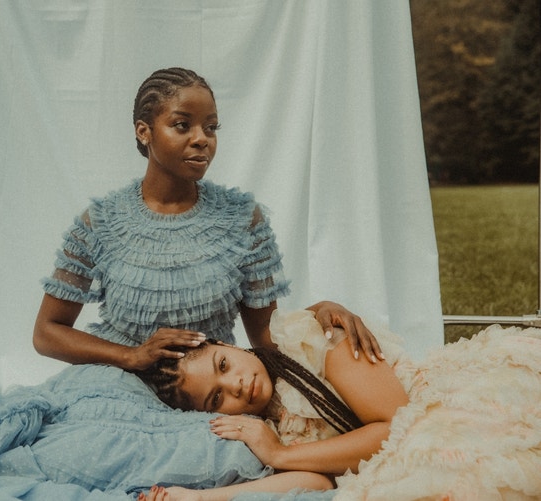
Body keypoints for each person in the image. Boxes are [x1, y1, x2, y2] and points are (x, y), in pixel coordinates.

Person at [33, 67, 383, 371]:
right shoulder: (101, 222)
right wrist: (131, 356)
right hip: (116, 386)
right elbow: (47, 332)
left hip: (210, 393)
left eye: (211, 127)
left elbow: (264, 336)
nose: (202, 139)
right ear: (144, 131)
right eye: (182, 125)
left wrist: (320, 311)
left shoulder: (242, 219)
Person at [136, 309, 541, 500]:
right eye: (217, 397)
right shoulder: (267, 424)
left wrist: (280, 452)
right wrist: (197, 498)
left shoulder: (315, 345)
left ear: (225, 343)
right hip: (393, 441)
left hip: (435, 405)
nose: (236, 385)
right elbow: (319, 483)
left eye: (223, 365)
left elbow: (395, 429)